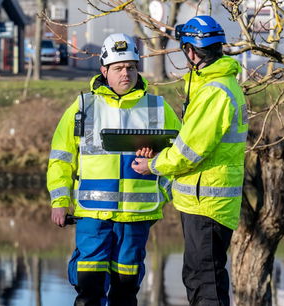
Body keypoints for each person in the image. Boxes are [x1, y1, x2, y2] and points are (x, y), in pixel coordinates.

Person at [46, 33, 181, 306]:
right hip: (92, 215)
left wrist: (161, 188)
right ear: (104, 70)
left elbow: (179, 159)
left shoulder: (158, 107)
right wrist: (59, 202)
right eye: (119, 68)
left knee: (125, 291)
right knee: (88, 290)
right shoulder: (83, 107)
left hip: (136, 216)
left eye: (131, 67)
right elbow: (61, 158)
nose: (126, 74)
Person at [131, 15, 248, 306]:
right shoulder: (215, 85)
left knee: (203, 281)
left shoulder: (214, 92)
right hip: (204, 201)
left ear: (192, 52)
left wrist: (153, 165)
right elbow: (193, 141)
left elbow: (189, 152)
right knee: (202, 277)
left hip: (206, 203)